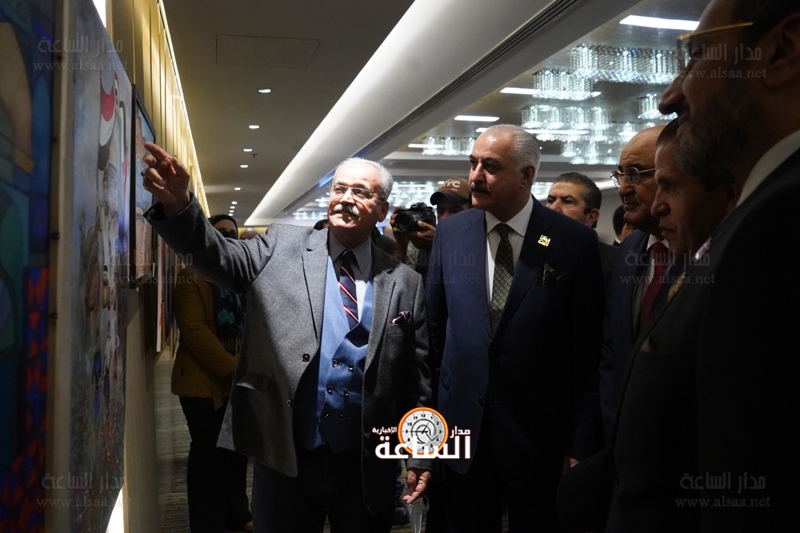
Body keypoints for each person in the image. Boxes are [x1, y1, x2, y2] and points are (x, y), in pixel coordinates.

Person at [142, 143, 433, 533]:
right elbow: (216, 255)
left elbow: (418, 379)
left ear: (382, 210)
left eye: (360, 192)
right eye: (339, 189)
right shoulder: (279, 248)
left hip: (366, 461)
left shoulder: (406, 282)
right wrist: (179, 206)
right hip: (286, 454)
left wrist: (421, 453)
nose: (345, 198)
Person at [607, 1, 800, 529]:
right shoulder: (761, 217)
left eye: (695, 57)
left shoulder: (780, 222)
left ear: (782, 51)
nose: (671, 96)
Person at [426, 124, 605, 531]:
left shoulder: (573, 241)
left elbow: (589, 352)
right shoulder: (451, 234)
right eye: (473, 163)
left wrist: (581, 443)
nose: (475, 176)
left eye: (490, 166)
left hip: (539, 440)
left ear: (526, 175)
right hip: (461, 436)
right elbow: (433, 337)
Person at [173, 214, 253, 533]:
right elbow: (194, 330)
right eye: (221, 232)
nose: (228, 237)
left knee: (236, 452)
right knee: (208, 455)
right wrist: (233, 369)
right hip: (203, 382)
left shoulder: (241, 277)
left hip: (241, 379)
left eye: (233, 232)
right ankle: (208, 523)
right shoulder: (191, 276)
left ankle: (238, 514)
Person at [598, 125, 670, 443]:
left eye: (636, 174)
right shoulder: (630, 247)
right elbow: (612, 350)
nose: (623, 189)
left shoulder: (704, 248)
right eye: (621, 175)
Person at [391, 177, 471, 284]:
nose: (445, 218)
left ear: (473, 211)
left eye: (455, 211)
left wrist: (439, 244)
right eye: (440, 211)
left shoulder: (482, 241)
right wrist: (401, 245)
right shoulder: (420, 246)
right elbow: (399, 286)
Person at [546, 172, 618, 286]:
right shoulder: (532, 252)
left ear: (591, 217)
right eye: (551, 200)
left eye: (567, 201)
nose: (554, 207)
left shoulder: (614, 261)